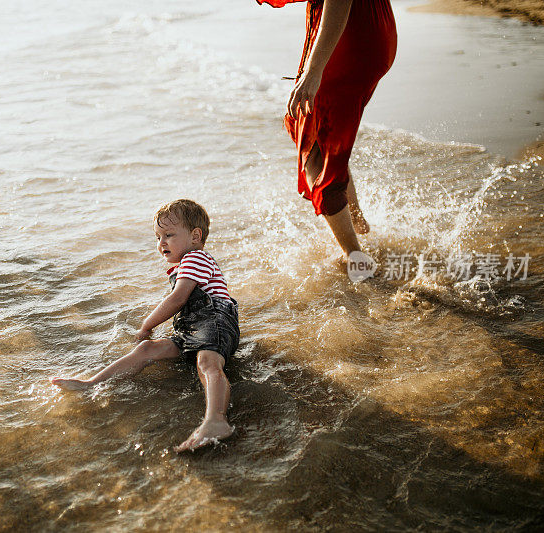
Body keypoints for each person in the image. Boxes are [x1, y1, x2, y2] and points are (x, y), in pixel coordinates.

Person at [51, 199, 241, 453]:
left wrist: (146, 325)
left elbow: (178, 299)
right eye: (158, 236)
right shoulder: (185, 264)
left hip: (214, 321)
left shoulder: (196, 258)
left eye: (169, 235)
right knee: (147, 349)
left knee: (207, 363)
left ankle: (216, 421)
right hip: (193, 328)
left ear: (195, 236)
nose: (161, 243)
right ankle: (92, 384)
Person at [257, 0, 397, 269]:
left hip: (349, 39)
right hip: (367, 33)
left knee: (317, 156)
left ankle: (356, 258)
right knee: (326, 139)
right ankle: (358, 226)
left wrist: (313, 71)